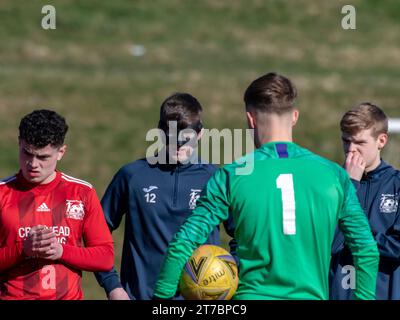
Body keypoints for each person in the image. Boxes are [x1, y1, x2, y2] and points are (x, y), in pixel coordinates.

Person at [153, 72, 379, 300]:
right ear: (295, 117)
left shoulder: (232, 175)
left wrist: (161, 299)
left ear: (250, 119)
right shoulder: (334, 176)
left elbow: (184, 242)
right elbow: (366, 249)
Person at [95, 92, 235, 300]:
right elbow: (96, 230)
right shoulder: (132, 176)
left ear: (200, 134)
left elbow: (244, 237)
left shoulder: (216, 179)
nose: (179, 146)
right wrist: (112, 286)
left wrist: (230, 273)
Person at [0, 109, 114, 300]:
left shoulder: (82, 193)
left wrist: (60, 250)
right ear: (19, 143)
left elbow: (105, 257)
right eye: (27, 153)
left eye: (43, 157)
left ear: (61, 152)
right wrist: (23, 249)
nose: (33, 164)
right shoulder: (2, 193)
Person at [330, 103, 400, 300]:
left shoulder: (397, 185)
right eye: (346, 141)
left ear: (381, 140)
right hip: (339, 293)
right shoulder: (332, 186)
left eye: (359, 143)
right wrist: (350, 185)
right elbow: (331, 243)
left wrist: (357, 236)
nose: (351, 150)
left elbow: (397, 248)